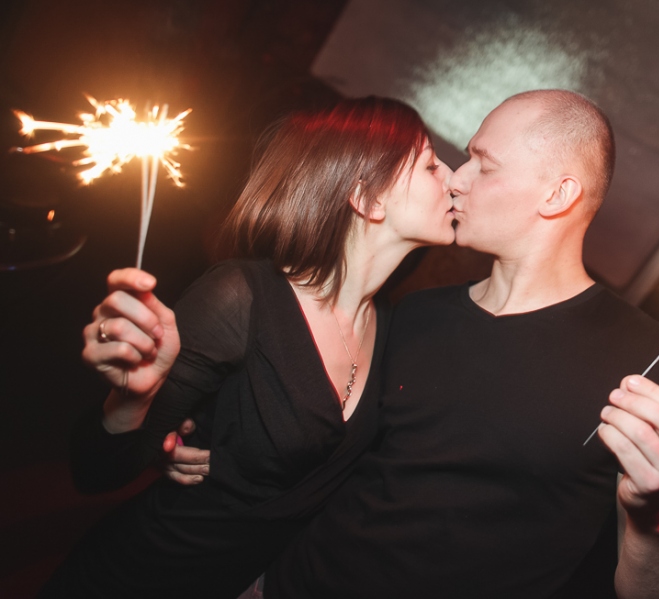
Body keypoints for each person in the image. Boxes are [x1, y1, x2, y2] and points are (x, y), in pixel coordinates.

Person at [87, 90, 659, 598]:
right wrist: (177, 430)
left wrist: (655, 518)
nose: (457, 179)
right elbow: (305, 428)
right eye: (457, 161)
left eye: (483, 165)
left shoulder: (652, 370)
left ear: (557, 194)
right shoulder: (411, 317)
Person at [38, 96, 456, 598]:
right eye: (431, 165)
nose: (452, 178)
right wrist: (134, 400)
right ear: (368, 200)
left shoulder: (388, 325)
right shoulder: (239, 298)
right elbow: (95, 472)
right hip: (137, 576)